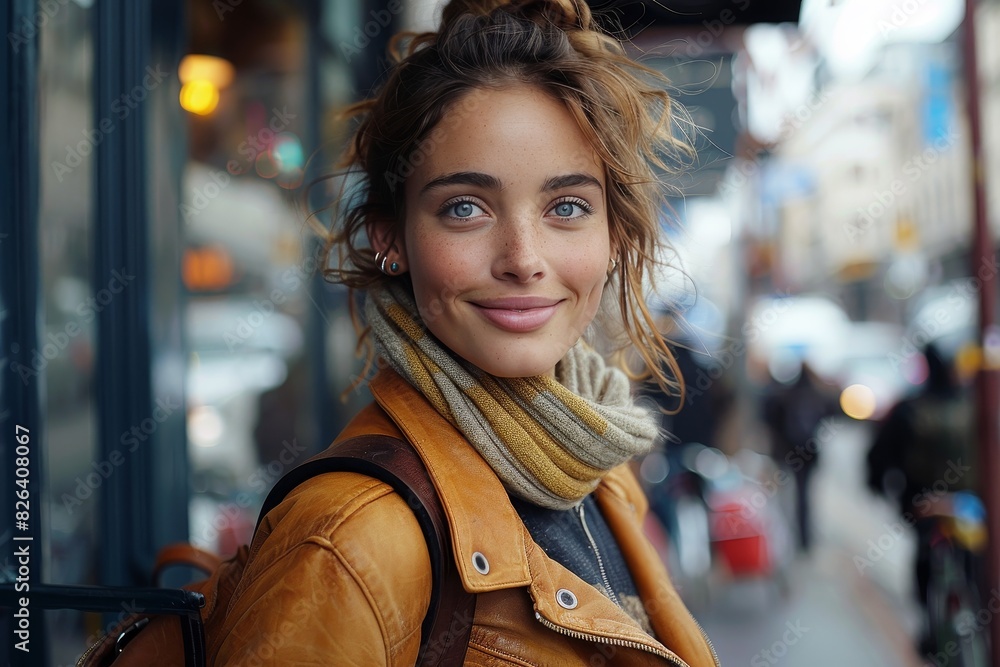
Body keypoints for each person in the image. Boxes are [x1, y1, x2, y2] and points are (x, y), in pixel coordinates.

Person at [213, 1, 719, 665]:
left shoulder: (599, 467)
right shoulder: (346, 537)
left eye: (567, 206)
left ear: (613, 236)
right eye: (465, 208)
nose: (523, 259)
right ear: (390, 237)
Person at [866, 343, 978, 649]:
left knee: (925, 559)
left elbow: (880, 456)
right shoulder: (971, 405)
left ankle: (929, 627)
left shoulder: (909, 407)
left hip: (921, 502)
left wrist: (878, 486)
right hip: (967, 503)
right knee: (972, 561)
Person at [762, 360, 839, 552]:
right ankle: (804, 538)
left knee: (783, 496)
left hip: (787, 453)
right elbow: (833, 411)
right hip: (808, 454)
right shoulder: (816, 395)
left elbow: (770, 418)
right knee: (804, 496)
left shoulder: (785, 394)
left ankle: (787, 537)